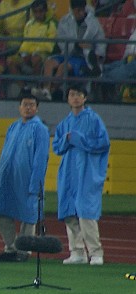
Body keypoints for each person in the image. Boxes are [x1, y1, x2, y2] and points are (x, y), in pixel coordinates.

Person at [52, 84, 110, 266]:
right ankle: (76, 251)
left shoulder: (94, 120)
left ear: (84, 98)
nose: (75, 98)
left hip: (87, 172)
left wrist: (78, 139)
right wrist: (67, 139)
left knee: (86, 214)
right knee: (70, 213)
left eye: (79, 95)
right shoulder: (65, 123)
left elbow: (103, 143)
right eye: (72, 94)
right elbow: (57, 147)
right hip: (69, 173)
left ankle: (95, 252)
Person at [0, 91, 50, 262]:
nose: (28, 108)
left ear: (37, 109)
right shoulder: (13, 127)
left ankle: (24, 251)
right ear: (19, 107)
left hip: (27, 179)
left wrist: (36, 184)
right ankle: (10, 247)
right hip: (8, 179)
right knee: (3, 212)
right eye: (25, 104)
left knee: (28, 217)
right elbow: (5, 154)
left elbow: (41, 159)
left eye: (32, 105)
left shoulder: (40, 129)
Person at [33, 0, 106, 101]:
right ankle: (45, 89)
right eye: (77, 11)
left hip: (84, 57)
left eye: (81, 10)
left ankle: (51, 90)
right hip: (68, 53)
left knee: (63, 66)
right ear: (72, 10)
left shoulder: (94, 23)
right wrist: (75, 45)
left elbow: (101, 43)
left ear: (84, 8)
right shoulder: (65, 21)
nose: (80, 13)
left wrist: (96, 55)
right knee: (49, 63)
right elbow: (61, 40)